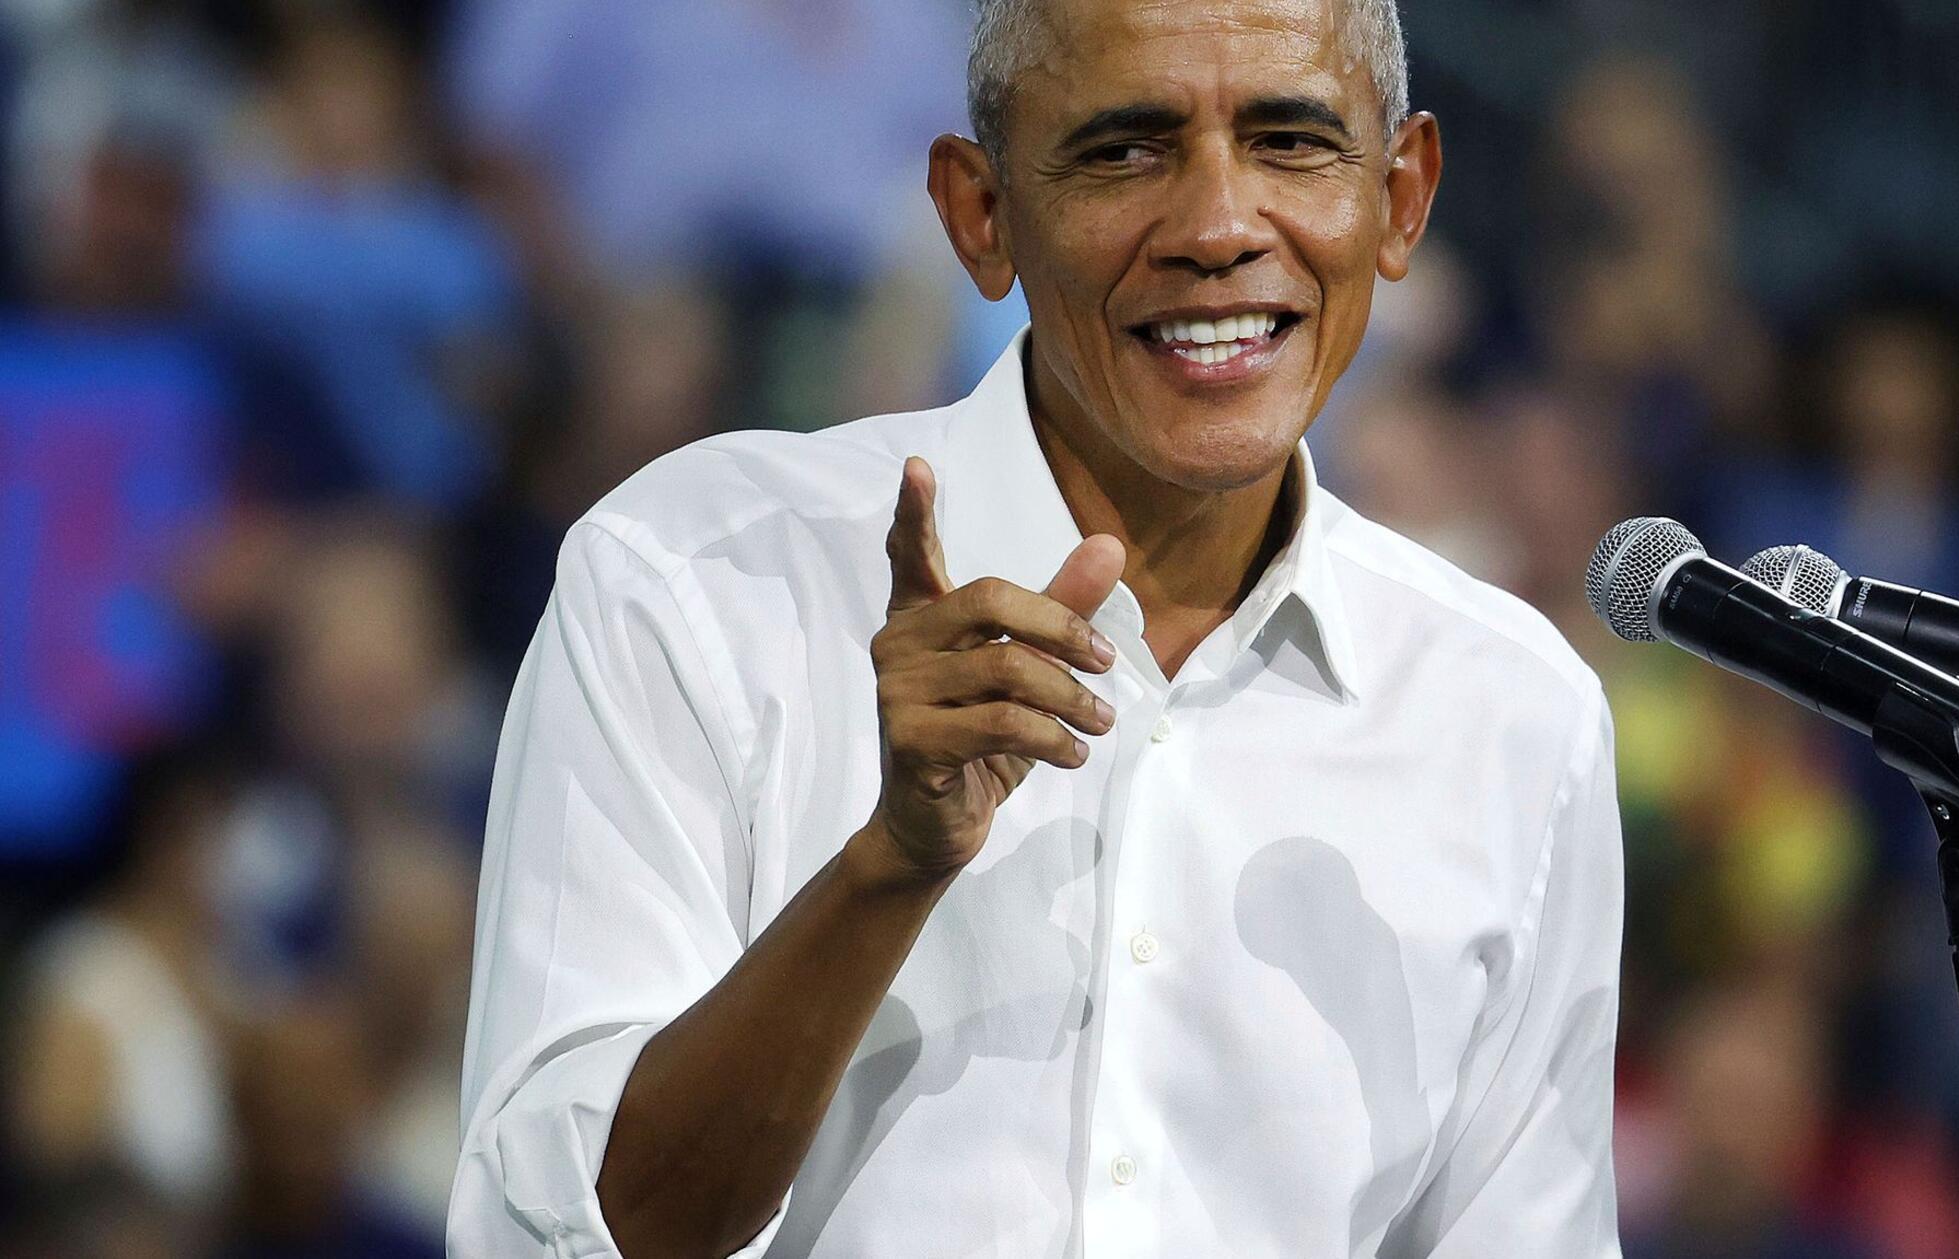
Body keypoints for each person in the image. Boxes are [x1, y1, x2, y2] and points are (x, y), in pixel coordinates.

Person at [449, 1, 1625, 1255]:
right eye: (1125, 150)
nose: (1218, 227)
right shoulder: (694, 582)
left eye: (1288, 142)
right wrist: (886, 867)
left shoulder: (1512, 715)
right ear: (979, 214)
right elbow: (551, 1236)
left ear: (1399, 199)